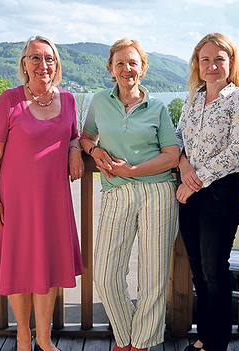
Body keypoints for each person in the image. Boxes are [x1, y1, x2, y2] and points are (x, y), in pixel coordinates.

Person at [0, 36, 84, 351]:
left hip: (53, 202)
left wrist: (76, 149)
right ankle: (24, 338)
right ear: (24, 63)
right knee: (18, 269)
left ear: (57, 64)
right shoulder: (9, 100)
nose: (43, 65)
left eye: (49, 58)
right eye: (35, 58)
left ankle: (45, 339)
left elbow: (74, 136)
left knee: (47, 270)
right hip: (15, 203)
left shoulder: (69, 100)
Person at [79, 38, 179, 351]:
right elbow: (85, 136)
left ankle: (140, 345)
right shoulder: (98, 101)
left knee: (153, 277)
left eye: (133, 62)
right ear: (111, 68)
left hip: (157, 192)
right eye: (120, 63)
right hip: (115, 193)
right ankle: (126, 336)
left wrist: (133, 171)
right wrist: (94, 151)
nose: (126, 69)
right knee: (106, 276)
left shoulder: (158, 107)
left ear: (143, 68)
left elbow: (172, 154)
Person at [175, 33, 239, 351]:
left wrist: (196, 179)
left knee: (214, 269)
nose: (211, 65)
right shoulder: (194, 97)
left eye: (218, 59)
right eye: (205, 59)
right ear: (197, 63)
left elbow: (238, 152)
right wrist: (184, 165)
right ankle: (203, 336)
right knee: (197, 268)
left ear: (231, 62)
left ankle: (217, 342)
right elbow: (181, 135)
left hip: (218, 193)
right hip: (189, 190)